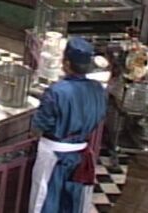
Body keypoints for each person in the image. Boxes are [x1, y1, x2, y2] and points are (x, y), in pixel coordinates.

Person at [29, 37, 107, 213]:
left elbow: (40, 125)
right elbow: (99, 115)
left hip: (53, 155)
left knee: (45, 200)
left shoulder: (56, 91)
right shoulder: (98, 89)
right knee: (71, 201)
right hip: (80, 155)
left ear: (66, 63)